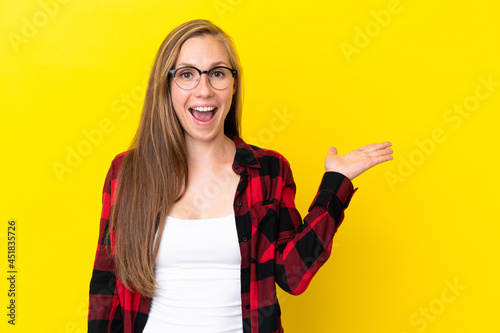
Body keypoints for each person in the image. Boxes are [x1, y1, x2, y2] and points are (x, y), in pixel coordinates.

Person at [87, 19, 393, 333]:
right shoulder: (127, 173)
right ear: (166, 86)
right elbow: (105, 284)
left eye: (217, 73)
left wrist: (336, 184)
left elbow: (293, 275)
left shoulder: (269, 171)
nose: (203, 90)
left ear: (233, 84)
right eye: (187, 74)